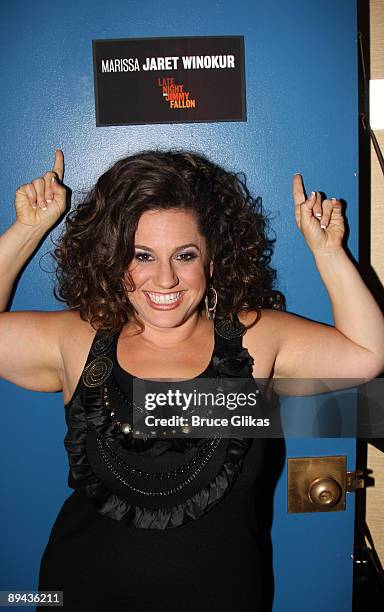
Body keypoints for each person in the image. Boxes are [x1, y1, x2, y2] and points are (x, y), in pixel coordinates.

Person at [0, 149, 383, 611]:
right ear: (115, 260)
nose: (165, 279)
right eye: (142, 255)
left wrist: (328, 252)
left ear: (213, 260)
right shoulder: (77, 340)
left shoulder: (257, 340)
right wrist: (27, 230)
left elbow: (366, 355)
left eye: (185, 255)